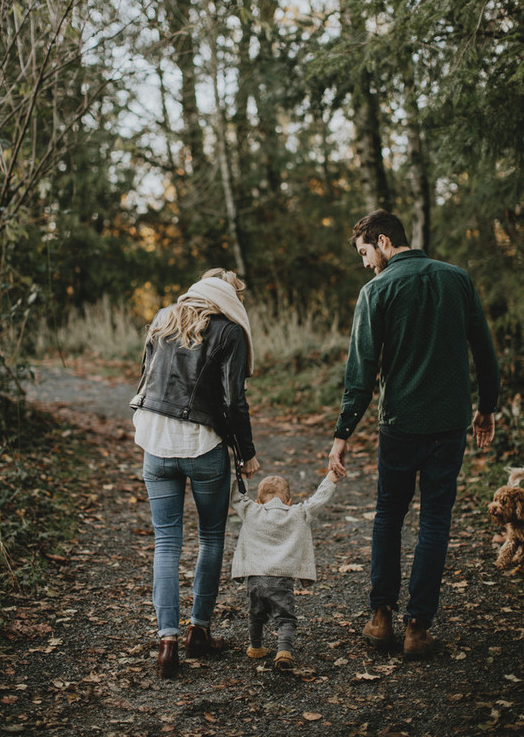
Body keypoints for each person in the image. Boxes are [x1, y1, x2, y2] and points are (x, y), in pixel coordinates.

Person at [328, 210, 500, 659]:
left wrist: (343, 432)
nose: (366, 263)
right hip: (450, 423)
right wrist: (486, 408)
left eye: (366, 253)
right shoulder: (457, 279)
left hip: (400, 425)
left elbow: (360, 373)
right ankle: (418, 628)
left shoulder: (376, 291)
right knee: (435, 521)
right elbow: (484, 348)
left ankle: (381, 618)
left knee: (388, 515)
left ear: (383, 242)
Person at [131, 268, 260, 678]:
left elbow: (146, 378)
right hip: (203, 446)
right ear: (231, 297)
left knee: (166, 542)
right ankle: (198, 632)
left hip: (155, 442)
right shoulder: (231, 331)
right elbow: (234, 400)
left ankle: (167, 642)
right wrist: (247, 454)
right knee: (210, 537)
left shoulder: (163, 318)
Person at [230, 471, 339, 670]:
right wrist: (330, 479)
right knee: (285, 618)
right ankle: (284, 652)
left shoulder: (251, 510)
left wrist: (242, 474)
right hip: (282, 579)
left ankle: (256, 647)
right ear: (288, 501)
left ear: (258, 500)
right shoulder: (298, 513)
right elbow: (318, 500)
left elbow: (237, 497)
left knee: (255, 614)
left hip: (255, 578)